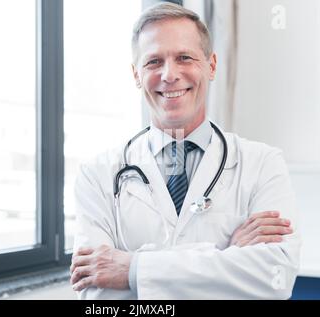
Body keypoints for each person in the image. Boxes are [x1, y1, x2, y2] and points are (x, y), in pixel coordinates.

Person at [70, 2, 301, 299]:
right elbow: (97, 297)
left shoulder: (263, 163)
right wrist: (227, 255)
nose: (169, 74)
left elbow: (275, 277)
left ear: (212, 65)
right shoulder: (96, 176)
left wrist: (133, 269)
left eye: (184, 57)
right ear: (136, 75)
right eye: (153, 61)